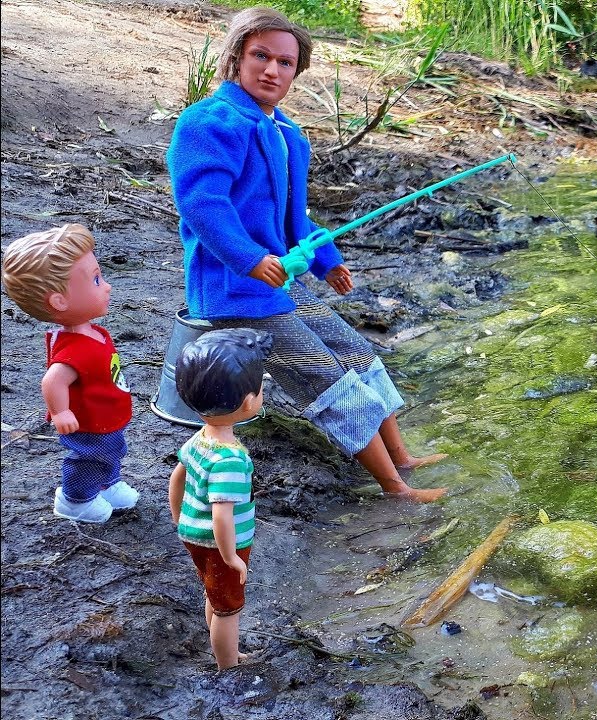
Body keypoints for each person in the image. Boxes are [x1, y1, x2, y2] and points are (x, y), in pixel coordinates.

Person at [166, 6, 444, 502]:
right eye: (260, 56)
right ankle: (393, 486)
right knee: (325, 378)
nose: (272, 70)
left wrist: (326, 259)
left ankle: (401, 455)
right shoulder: (209, 121)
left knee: (359, 355)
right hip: (235, 293)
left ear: (298, 70)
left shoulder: (287, 133)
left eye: (286, 62)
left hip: (278, 286)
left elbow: (297, 219)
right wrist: (250, 259)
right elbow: (203, 206)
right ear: (236, 57)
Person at [1, 224, 139, 522]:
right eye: (96, 279)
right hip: (89, 422)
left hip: (107, 415)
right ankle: (75, 498)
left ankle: (106, 484)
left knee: (111, 451)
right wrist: (60, 412)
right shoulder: (73, 349)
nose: (107, 286)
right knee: (90, 457)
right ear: (59, 301)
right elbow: (52, 379)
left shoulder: (94, 333)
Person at [169, 328, 271, 670]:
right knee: (230, 609)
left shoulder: (200, 438)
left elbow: (178, 476)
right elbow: (222, 514)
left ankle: (220, 646)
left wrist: (178, 516)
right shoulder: (230, 458)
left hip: (193, 533)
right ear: (247, 402)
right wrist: (232, 557)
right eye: (260, 388)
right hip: (220, 544)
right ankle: (228, 663)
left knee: (212, 592)